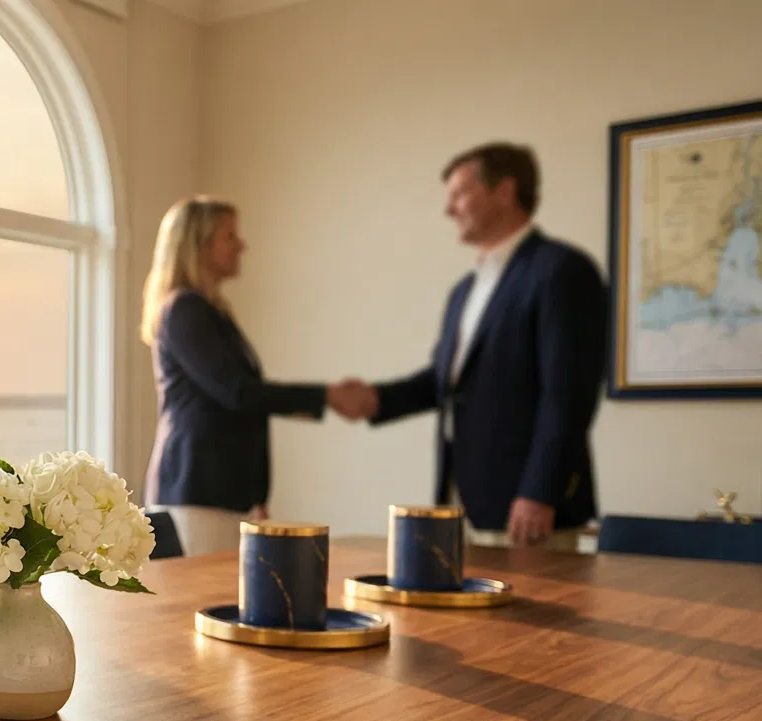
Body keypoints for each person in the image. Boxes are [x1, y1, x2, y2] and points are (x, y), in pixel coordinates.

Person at [333, 143, 606, 549]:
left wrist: (540, 491)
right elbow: (446, 382)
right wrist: (376, 399)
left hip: (526, 511)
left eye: (460, 194)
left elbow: (567, 395)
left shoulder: (561, 271)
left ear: (504, 191)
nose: (449, 210)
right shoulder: (464, 290)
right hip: (461, 503)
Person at [142, 196, 370, 554]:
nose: (242, 245)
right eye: (229, 236)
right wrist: (327, 396)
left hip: (223, 496)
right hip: (200, 492)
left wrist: (252, 497)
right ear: (198, 244)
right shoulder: (186, 310)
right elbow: (239, 393)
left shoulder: (211, 312)